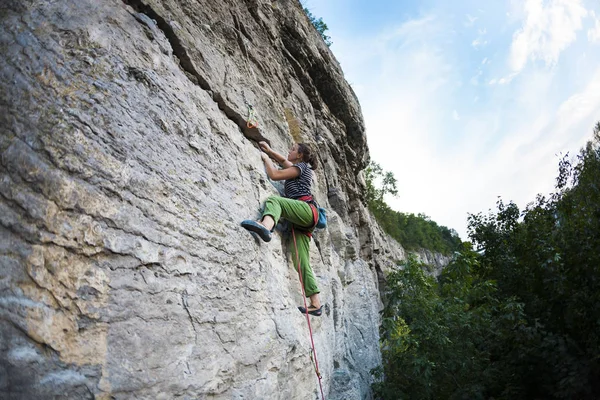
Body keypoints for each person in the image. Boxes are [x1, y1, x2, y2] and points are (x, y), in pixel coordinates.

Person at [241, 141, 323, 316]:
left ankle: (265, 227)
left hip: (306, 211)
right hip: (302, 221)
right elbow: (283, 162)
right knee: (301, 260)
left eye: (293, 149)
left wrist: (264, 158)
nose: (289, 150)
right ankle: (316, 303)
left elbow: (274, 174)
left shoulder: (301, 168)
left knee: (274, 200)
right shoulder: (298, 168)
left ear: (300, 155)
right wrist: (270, 150)